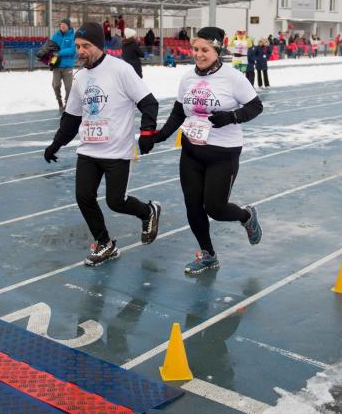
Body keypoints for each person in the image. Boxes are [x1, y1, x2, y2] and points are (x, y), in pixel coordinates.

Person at [43, 22, 161, 266]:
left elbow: (149, 103)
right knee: (83, 196)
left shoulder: (121, 70)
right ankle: (104, 243)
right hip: (88, 149)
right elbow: (72, 117)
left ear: (99, 45)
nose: (81, 51)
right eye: (77, 46)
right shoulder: (80, 77)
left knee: (115, 202)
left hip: (117, 150)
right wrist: (56, 143)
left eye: (86, 46)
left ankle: (148, 211)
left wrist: (148, 131)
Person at [152, 26, 263, 275]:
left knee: (215, 208)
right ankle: (208, 254)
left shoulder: (233, 77)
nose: (198, 54)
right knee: (193, 206)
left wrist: (232, 116)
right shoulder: (188, 77)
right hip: (191, 151)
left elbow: (256, 106)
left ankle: (246, 216)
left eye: (205, 49)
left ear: (217, 50)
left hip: (223, 154)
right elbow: (179, 111)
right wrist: (160, 135)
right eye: (195, 49)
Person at [50, 19, 76, 112]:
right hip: (57, 65)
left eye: (64, 25)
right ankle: (59, 101)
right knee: (56, 85)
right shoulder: (55, 36)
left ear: (68, 26)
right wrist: (50, 59)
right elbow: (50, 48)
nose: (62, 27)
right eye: (61, 25)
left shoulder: (73, 36)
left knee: (69, 87)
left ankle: (67, 104)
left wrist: (59, 53)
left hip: (67, 66)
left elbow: (72, 50)